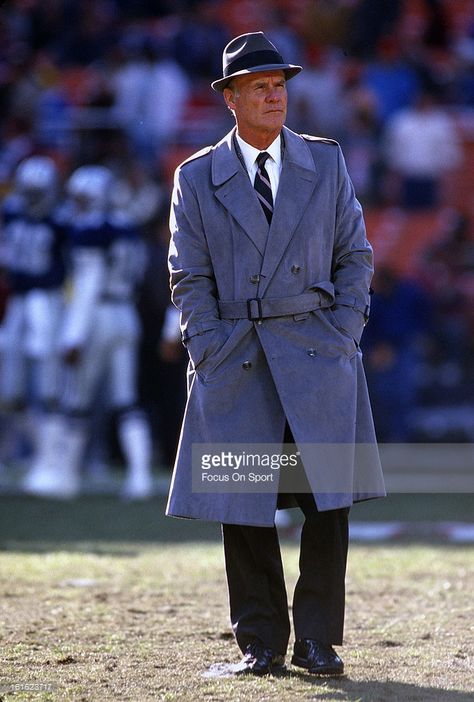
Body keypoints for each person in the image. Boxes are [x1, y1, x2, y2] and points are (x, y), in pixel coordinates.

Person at [166, 31, 385, 677]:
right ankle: (259, 646)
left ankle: (318, 643)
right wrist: (206, 345)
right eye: (259, 86)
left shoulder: (327, 161)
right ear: (229, 98)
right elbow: (187, 274)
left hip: (318, 350)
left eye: (279, 85)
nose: (274, 95)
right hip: (233, 354)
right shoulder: (198, 175)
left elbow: (356, 255)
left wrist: (344, 331)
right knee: (243, 505)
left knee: (327, 505)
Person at [25, 164, 153, 500]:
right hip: (126, 312)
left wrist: (73, 335)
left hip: (96, 315)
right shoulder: (128, 227)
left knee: (76, 399)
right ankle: (139, 477)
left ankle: (65, 478)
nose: (78, 204)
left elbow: (88, 284)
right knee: (126, 399)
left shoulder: (90, 232)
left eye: (83, 198)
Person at [0, 155, 67, 479]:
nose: (33, 199)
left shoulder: (60, 220)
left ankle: (49, 458)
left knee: (46, 379)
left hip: (46, 301)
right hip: (19, 301)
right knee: (8, 380)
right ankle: (13, 450)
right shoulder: (11, 211)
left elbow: (66, 270)